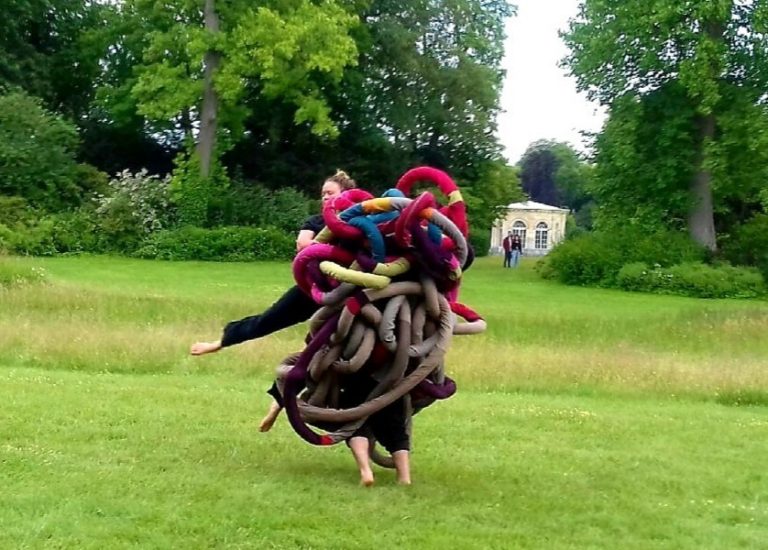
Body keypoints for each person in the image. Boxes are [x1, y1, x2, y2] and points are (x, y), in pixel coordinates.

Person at [189, 170, 357, 431]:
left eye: (330, 193)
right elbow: (303, 243)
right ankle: (220, 342)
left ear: (347, 195)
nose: (325, 198)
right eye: (322, 194)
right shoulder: (316, 221)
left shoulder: (361, 222)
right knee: (269, 319)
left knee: (318, 351)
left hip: (347, 294)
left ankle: (278, 404)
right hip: (313, 288)